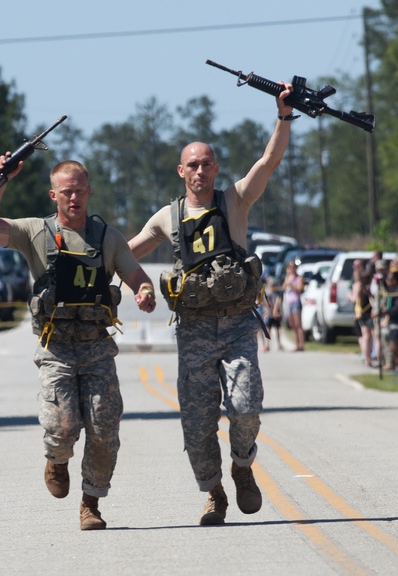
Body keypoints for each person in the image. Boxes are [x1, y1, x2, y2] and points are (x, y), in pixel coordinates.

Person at [128, 82, 293, 525]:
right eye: (192, 166)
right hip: (195, 330)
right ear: (180, 171)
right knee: (198, 424)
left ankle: (242, 466)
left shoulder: (234, 200)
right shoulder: (168, 215)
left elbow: (269, 160)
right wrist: (103, 269)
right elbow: (127, 253)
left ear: (215, 168)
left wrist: (283, 116)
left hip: (238, 323)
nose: (200, 171)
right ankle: (214, 493)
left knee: (245, 406)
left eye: (206, 164)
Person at [0, 157, 156, 530]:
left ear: (89, 192)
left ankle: (90, 503)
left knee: (105, 431)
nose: (74, 198)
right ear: (53, 194)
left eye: (80, 191)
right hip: (56, 348)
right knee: (62, 427)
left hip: (96, 348)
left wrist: (145, 290)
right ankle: (57, 459)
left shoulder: (108, 237)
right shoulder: (34, 232)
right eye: (66, 192)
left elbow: (135, 274)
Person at [282, 260, 305, 351]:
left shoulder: (299, 278)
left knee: (298, 324)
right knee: (292, 324)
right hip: (289, 302)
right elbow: (283, 287)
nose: (291, 269)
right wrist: (287, 279)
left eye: (293, 267)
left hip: (296, 301)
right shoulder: (288, 277)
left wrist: (292, 285)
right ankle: (296, 344)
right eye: (290, 267)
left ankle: (301, 345)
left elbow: (299, 289)